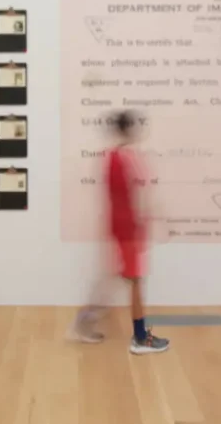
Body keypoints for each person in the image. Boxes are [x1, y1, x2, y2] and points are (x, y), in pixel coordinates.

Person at [69, 110, 169, 354]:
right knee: (133, 281)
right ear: (128, 129)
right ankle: (139, 338)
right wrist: (140, 223)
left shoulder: (115, 157)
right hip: (127, 230)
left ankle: (84, 324)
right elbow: (129, 197)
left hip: (123, 228)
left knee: (114, 279)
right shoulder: (122, 158)